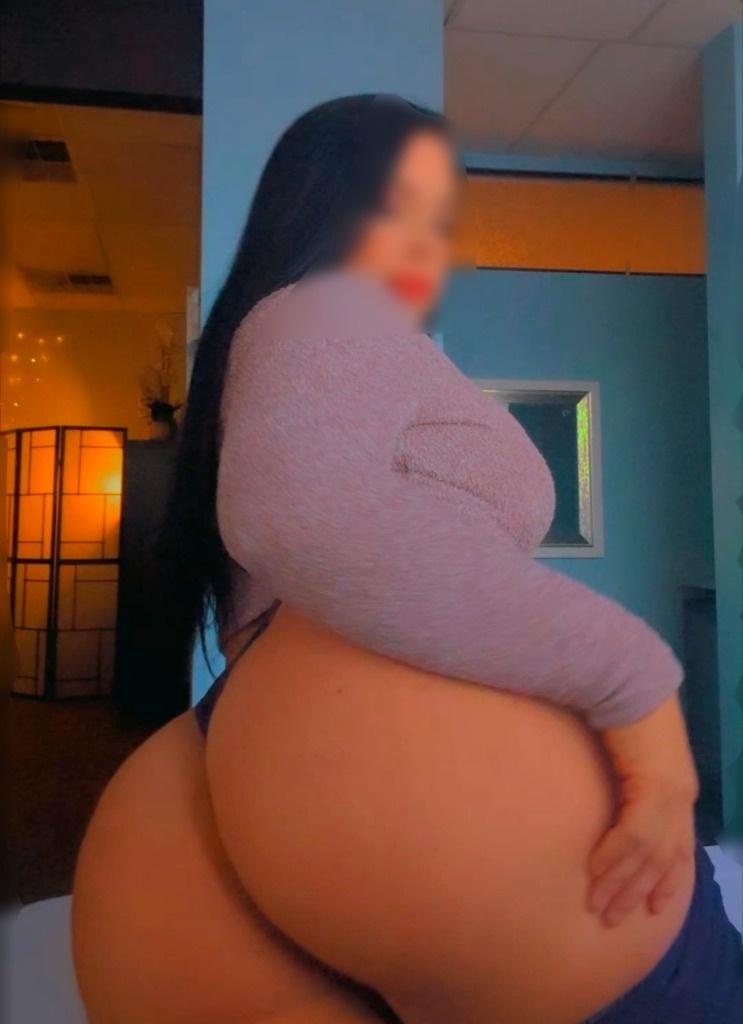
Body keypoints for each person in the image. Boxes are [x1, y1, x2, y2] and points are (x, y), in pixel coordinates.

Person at [73, 94, 742, 1024]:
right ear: (325, 207)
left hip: (238, 771)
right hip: (383, 767)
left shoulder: (281, 356)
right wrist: (634, 690)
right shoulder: (322, 308)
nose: (433, 244)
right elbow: (298, 519)